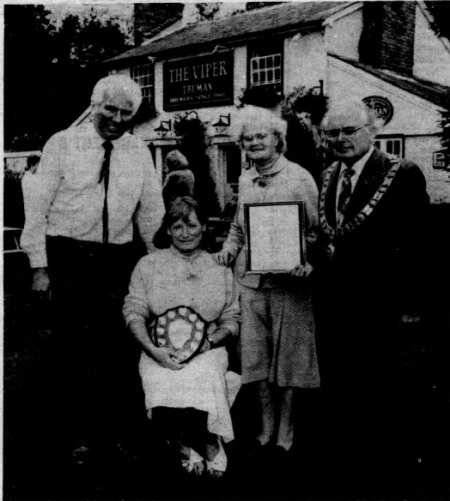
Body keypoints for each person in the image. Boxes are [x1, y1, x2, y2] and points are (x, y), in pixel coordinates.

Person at [20, 74, 165, 464]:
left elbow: (151, 212)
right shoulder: (63, 143)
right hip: (68, 257)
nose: (117, 118)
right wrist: (39, 266)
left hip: (116, 261)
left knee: (116, 349)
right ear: (93, 104)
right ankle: (75, 435)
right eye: (110, 109)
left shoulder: (138, 151)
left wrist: (158, 265)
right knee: (70, 349)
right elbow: (37, 208)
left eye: (126, 112)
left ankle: (115, 432)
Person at [315, 99, 429, 481]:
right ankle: (349, 459)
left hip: (381, 305)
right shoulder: (329, 173)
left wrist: (411, 306)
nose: (341, 139)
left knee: (383, 388)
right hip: (336, 304)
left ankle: (389, 467)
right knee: (343, 385)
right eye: (333, 132)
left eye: (350, 130)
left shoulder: (403, 173)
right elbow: (328, 235)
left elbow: (418, 246)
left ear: (372, 130)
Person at [215, 106, 320, 456]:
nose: (254, 142)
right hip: (249, 282)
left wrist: (305, 261)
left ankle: (286, 429)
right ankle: (265, 425)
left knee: (289, 358)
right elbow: (237, 228)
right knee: (254, 357)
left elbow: (314, 233)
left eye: (261, 136)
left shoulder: (300, 178)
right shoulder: (244, 179)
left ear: (278, 140)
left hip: (290, 283)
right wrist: (227, 251)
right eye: (247, 138)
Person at [123, 196, 240, 478]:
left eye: (192, 225)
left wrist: (210, 342)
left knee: (205, 373)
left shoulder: (220, 267)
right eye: (177, 227)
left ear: (204, 228)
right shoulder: (148, 264)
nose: (185, 233)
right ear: (167, 231)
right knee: (160, 376)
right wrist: (152, 349)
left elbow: (231, 318)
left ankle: (210, 440)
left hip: (208, 347)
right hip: (159, 349)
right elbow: (134, 310)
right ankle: (183, 440)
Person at [284, 89, 329, 185]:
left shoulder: (325, 134)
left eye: (306, 117)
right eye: (300, 118)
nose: (303, 121)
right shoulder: (298, 141)